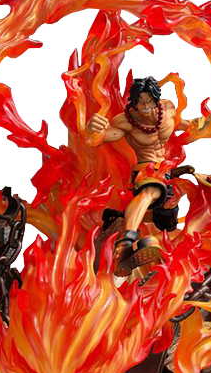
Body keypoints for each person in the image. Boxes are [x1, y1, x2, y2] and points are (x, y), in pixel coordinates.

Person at [86, 76, 203, 275]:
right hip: (145, 171)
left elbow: (181, 123)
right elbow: (101, 138)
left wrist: (202, 123)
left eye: (149, 101)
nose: (146, 107)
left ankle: (121, 223)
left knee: (167, 223)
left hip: (167, 173)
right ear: (134, 102)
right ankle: (123, 248)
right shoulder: (126, 122)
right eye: (141, 102)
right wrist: (93, 129)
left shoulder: (167, 110)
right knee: (150, 192)